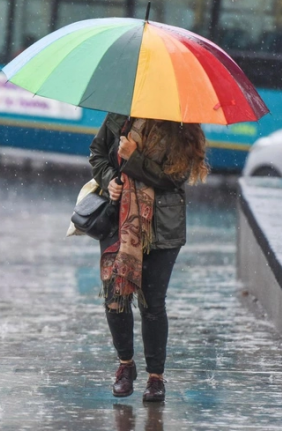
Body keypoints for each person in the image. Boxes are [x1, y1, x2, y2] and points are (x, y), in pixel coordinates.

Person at [88, 113, 209, 402]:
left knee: (152, 303)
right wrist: (109, 180)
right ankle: (125, 366)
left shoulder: (181, 124)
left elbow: (174, 178)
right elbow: (97, 154)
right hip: (119, 220)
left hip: (162, 227)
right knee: (116, 297)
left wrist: (132, 159)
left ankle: (156, 378)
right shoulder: (120, 116)